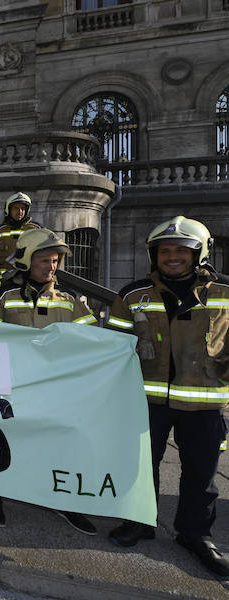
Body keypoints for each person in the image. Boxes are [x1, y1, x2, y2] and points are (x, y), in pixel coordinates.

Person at [106, 216, 229, 578]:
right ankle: (141, 522)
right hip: (145, 401)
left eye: (181, 250)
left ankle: (195, 536)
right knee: (142, 467)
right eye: (165, 250)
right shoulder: (133, 294)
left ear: (199, 253)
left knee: (201, 475)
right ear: (153, 255)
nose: (172, 256)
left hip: (204, 402)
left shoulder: (225, 293)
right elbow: (113, 347)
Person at [0, 229, 97, 535]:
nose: (51, 267)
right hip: (14, 386)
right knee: (3, 443)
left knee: (57, 447)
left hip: (54, 389)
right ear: (25, 260)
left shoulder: (71, 300)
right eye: (44, 260)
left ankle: (63, 501)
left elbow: (92, 342)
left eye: (55, 260)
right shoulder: (3, 297)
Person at [0, 192, 41, 276]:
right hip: (4, 280)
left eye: (23, 208)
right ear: (8, 210)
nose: (20, 212)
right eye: (16, 208)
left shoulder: (36, 230)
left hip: (29, 278)